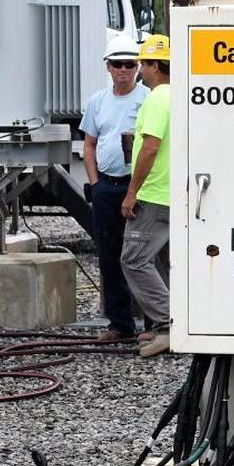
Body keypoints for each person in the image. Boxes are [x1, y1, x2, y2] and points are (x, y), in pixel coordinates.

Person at [81, 35, 149, 342]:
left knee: (143, 255)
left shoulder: (148, 98)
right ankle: (120, 324)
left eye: (129, 64)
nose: (123, 70)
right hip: (107, 186)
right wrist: (95, 183)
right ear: (108, 68)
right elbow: (89, 144)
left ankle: (154, 323)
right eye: (117, 64)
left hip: (139, 185)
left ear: (138, 67)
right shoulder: (97, 101)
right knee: (109, 255)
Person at [121, 34, 172, 358]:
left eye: (143, 64)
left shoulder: (158, 98)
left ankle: (170, 325)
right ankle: (162, 324)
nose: (140, 70)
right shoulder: (180, 95)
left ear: (156, 66)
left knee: (134, 258)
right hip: (170, 193)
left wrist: (132, 192)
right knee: (162, 261)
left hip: (154, 194)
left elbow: (150, 146)